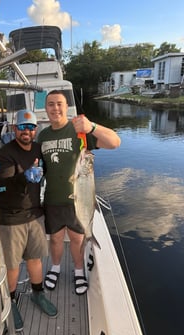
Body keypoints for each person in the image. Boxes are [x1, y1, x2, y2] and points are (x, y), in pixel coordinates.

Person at [37, 90, 121, 295]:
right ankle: (55, 268)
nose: (55, 108)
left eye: (59, 104)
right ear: (45, 108)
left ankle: (78, 270)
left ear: (66, 107)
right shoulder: (43, 135)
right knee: (55, 239)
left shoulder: (79, 131)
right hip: (52, 199)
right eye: (51, 104)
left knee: (77, 239)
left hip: (78, 199)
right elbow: (42, 166)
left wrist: (92, 126)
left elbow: (114, 142)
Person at [0, 109, 58, 332]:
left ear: (35, 130)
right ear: (14, 129)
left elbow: (54, 169)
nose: (27, 131)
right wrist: (23, 177)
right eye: (22, 127)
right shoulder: (4, 154)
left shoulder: (39, 149)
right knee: (12, 266)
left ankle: (38, 295)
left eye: (31, 127)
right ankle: (10, 302)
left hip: (35, 215)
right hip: (11, 219)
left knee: (35, 259)